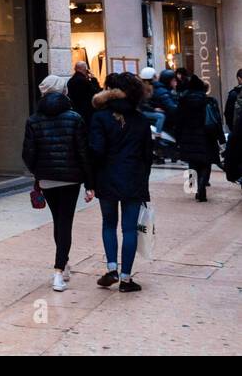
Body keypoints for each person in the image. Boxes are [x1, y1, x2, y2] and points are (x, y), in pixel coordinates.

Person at [22, 74, 94, 292]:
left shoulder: (33, 120)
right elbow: (84, 153)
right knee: (65, 223)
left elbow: (27, 154)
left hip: (47, 180)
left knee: (58, 222)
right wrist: (90, 183)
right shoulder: (75, 118)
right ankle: (58, 272)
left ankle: (65, 263)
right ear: (64, 92)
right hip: (70, 180)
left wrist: (39, 172)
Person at [89, 72, 154, 293]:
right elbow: (148, 156)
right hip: (133, 179)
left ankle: (111, 268)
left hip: (106, 178)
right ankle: (126, 279)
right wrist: (143, 180)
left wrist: (92, 178)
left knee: (108, 224)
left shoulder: (99, 117)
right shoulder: (142, 120)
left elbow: (96, 151)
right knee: (129, 229)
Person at [174, 74, 226, 203]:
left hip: (188, 135)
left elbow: (178, 120)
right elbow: (217, 120)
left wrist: (178, 137)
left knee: (192, 162)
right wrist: (221, 138)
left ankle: (192, 188)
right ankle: (202, 185)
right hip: (207, 136)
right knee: (206, 162)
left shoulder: (183, 101)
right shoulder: (209, 101)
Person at [67, 61, 100, 127]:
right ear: (84, 69)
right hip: (87, 111)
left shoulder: (70, 80)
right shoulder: (84, 81)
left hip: (75, 109)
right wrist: (94, 79)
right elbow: (96, 92)